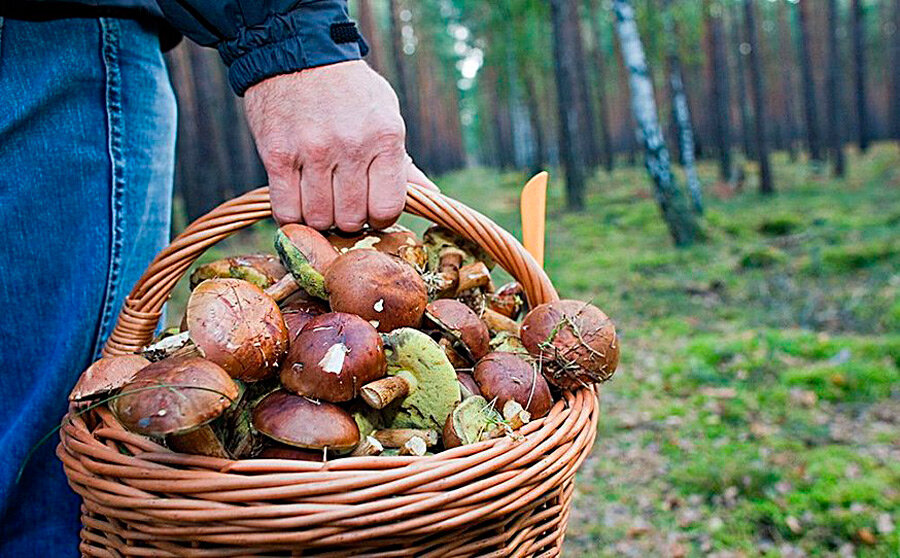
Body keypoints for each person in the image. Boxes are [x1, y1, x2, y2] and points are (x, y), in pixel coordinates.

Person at [0, 1, 434, 555]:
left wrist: (292, 40)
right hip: (59, 46)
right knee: (62, 466)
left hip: (51, 38)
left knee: (47, 468)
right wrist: (295, 44)